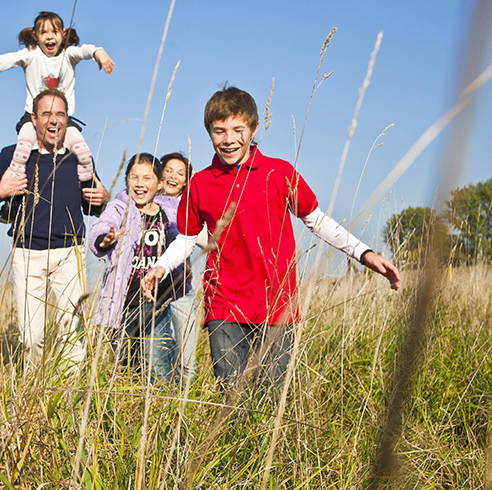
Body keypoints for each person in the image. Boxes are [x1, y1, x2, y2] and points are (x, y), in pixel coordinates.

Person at [142, 86, 401, 393]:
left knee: (272, 394)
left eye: (238, 129)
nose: (228, 139)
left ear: (252, 128)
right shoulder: (200, 183)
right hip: (224, 303)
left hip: (277, 302)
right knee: (230, 393)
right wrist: (160, 266)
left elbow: (316, 221)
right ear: (209, 132)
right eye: (219, 131)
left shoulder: (278, 173)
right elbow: (185, 239)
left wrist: (365, 253)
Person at [0, 89, 109, 371]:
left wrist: (102, 199)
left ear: (67, 120)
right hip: (27, 253)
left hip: (70, 252)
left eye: (60, 114)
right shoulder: (12, 156)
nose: (53, 120)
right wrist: (0, 190)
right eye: (46, 113)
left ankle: (69, 399)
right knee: (32, 337)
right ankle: (34, 395)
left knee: (72, 333)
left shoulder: (78, 158)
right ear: (34, 119)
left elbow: (92, 206)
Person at [0, 11, 115, 223]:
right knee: (22, 152)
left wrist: (100, 53)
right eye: (43, 32)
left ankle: (89, 198)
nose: (49, 37)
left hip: (66, 121)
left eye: (55, 32)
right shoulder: (31, 55)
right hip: (32, 119)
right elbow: (6, 60)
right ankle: (11, 204)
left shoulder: (69, 54)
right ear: (35, 35)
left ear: (63, 34)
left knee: (83, 153)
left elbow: (87, 50)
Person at [89, 153, 191, 384]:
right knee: (125, 361)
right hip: (125, 300)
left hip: (158, 300)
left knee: (156, 358)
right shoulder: (119, 207)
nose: (140, 183)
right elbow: (102, 226)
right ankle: (127, 404)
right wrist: (105, 239)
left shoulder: (170, 210)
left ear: (160, 183)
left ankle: (162, 403)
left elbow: (182, 238)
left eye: (147, 177)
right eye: (134, 177)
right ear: (126, 180)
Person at [158, 152, 198, 386]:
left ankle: (185, 402)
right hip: (152, 292)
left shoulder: (190, 207)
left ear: (186, 182)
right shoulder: (146, 204)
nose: (174, 176)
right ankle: (162, 400)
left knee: (186, 354)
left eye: (180, 174)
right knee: (159, 353)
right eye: (169, 170)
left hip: (182, 288)